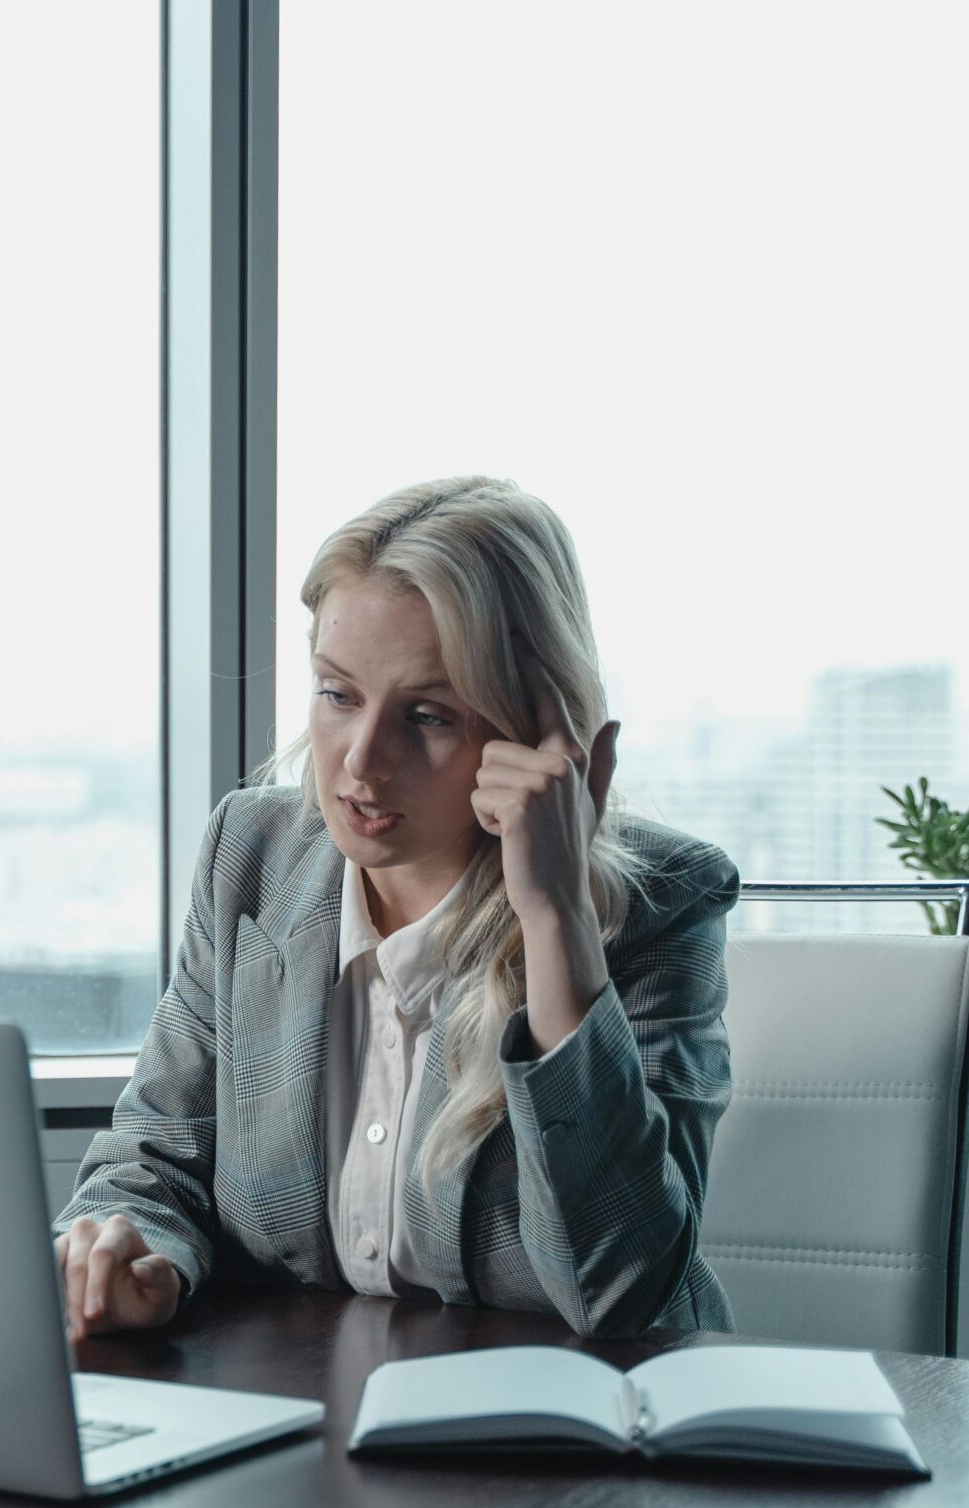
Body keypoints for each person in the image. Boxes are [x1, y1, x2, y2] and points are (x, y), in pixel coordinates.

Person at [54, 475, 738, 1344]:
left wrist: (557, 919)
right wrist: (133, 1253)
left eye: (428, 714)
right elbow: (156, 1159)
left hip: (564, 1452)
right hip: (306, 1427)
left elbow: (628, 1295)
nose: (361, 764)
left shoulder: (656, 905)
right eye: (338, 695)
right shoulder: (253, 858)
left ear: (536, 729)